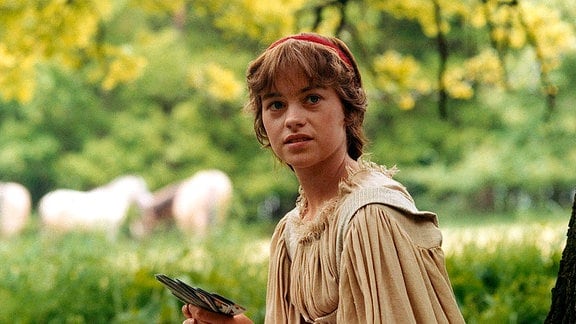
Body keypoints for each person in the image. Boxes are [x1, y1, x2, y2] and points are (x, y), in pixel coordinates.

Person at [182, 33, 465, 324]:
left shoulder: (370, 217)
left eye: (312, 99)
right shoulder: (291, 230)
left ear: (347, 111)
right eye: (276, 104)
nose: (292, 118)